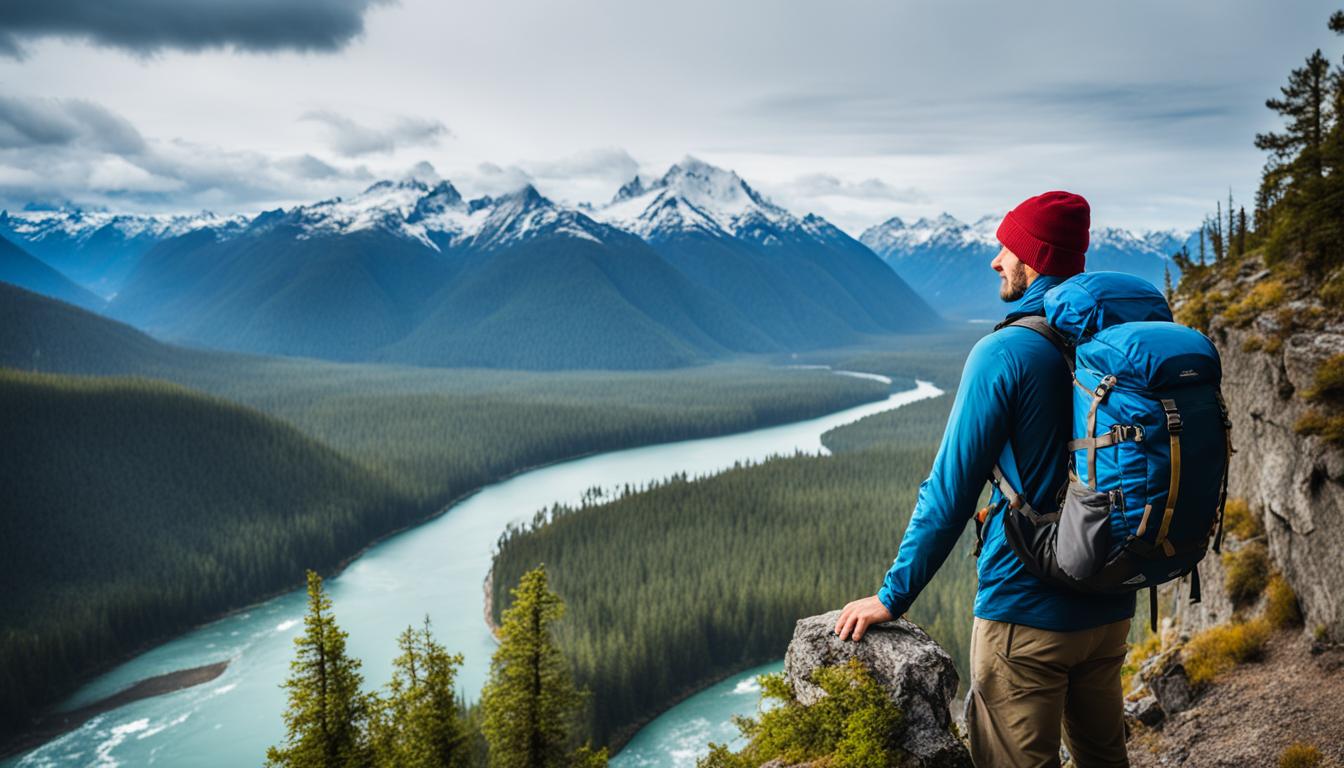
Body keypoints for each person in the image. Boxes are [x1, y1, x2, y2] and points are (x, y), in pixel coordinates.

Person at [833, 191, 1135, 767]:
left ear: (1035, 257)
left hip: (1025, 615)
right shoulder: (1106, 341)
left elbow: (949, 491)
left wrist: (892, 597)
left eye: (1008, 247)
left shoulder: (1005, 351)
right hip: (1109, 607)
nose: (997, 260)